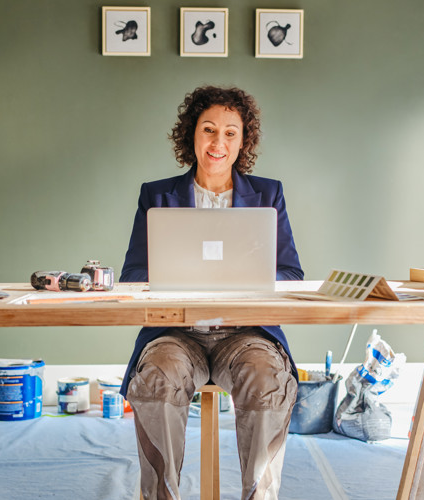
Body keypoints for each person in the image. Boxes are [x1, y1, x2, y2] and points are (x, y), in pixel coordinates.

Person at [118, 85, 303, 500]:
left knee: (267, 379)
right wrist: (177, 276)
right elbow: (133, 274)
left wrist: (245, 280)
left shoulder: (268, 194)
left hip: (247, 333)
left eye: (230, 133)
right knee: (157, 379)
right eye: (209, 129)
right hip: (175, 333)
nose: (219, 142)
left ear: (243, 141)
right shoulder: (157, 195)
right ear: (192, 134)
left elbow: (291, 274)